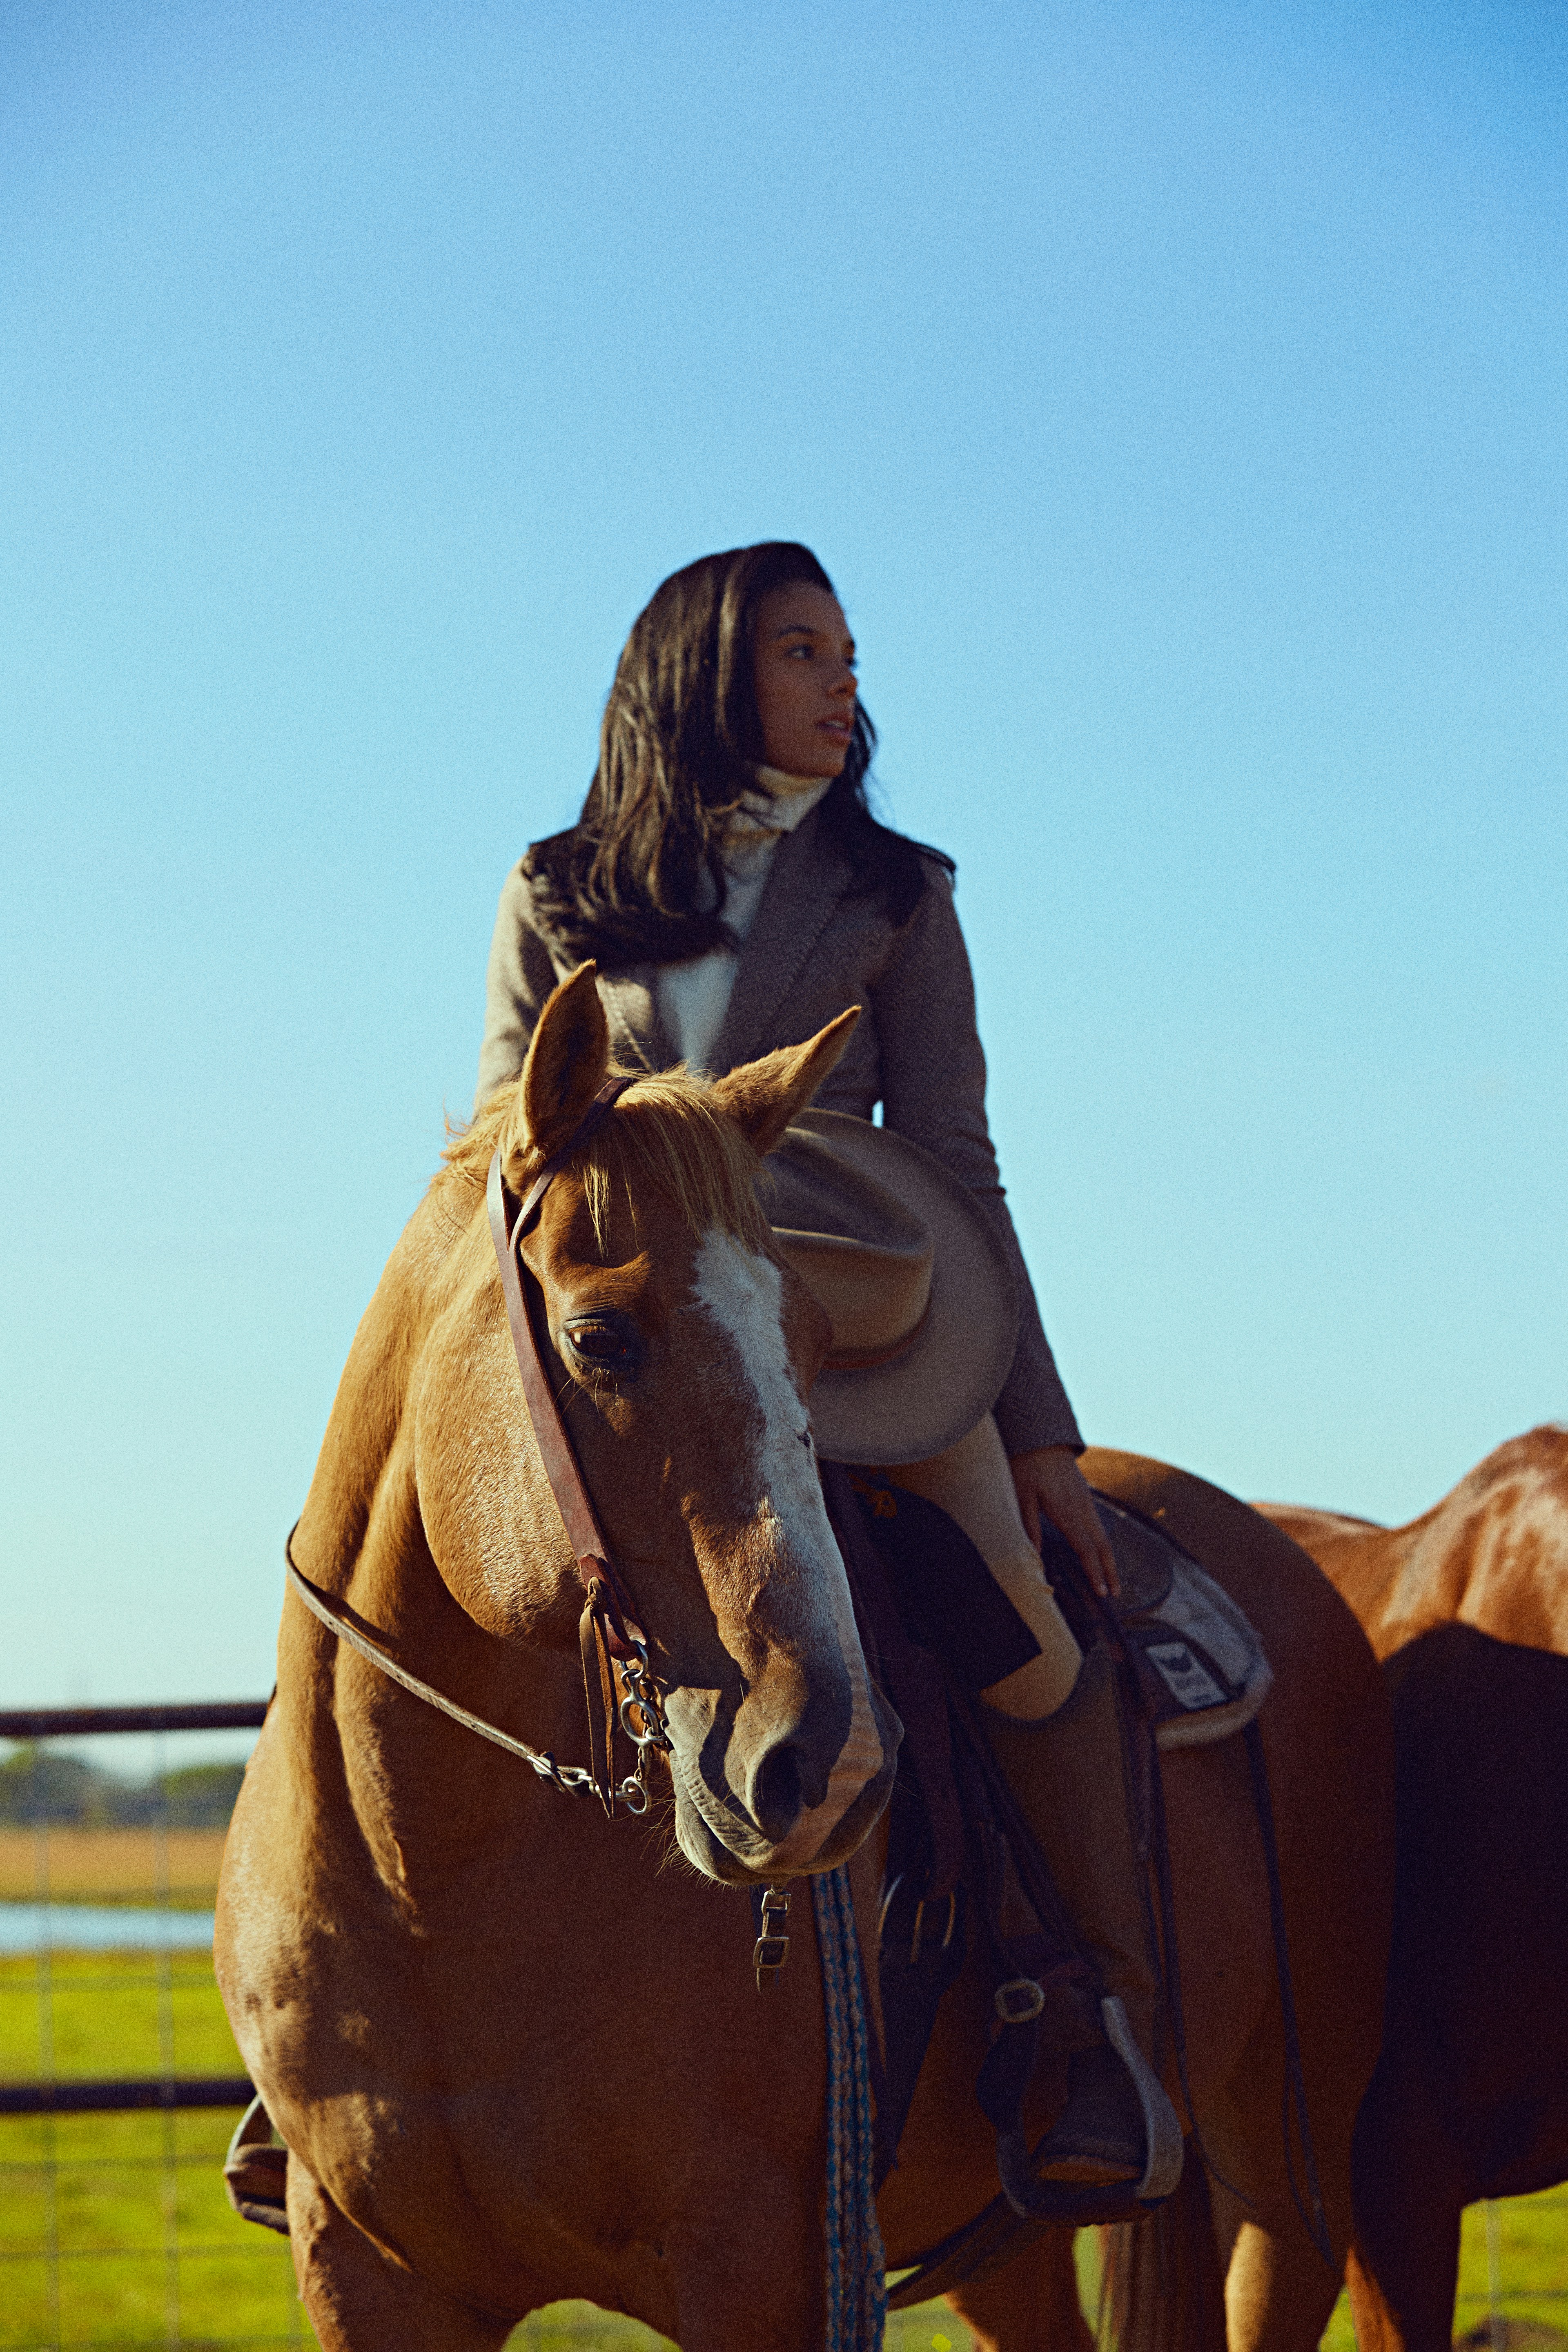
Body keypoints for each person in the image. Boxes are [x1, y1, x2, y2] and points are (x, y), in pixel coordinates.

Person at [477, 541, 1180, 2192]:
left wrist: (1039, 1434)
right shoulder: (552, 888)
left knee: (1019, 1626)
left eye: (848, 652)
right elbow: (498, 1147)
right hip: (621, 1333)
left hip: (853, 1323)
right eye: (806, 650)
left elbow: (958, 1158)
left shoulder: (896, 893)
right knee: (413, 1563)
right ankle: (336, 2022)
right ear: (707, 670)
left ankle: (1095, 2020)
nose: (846, 679)